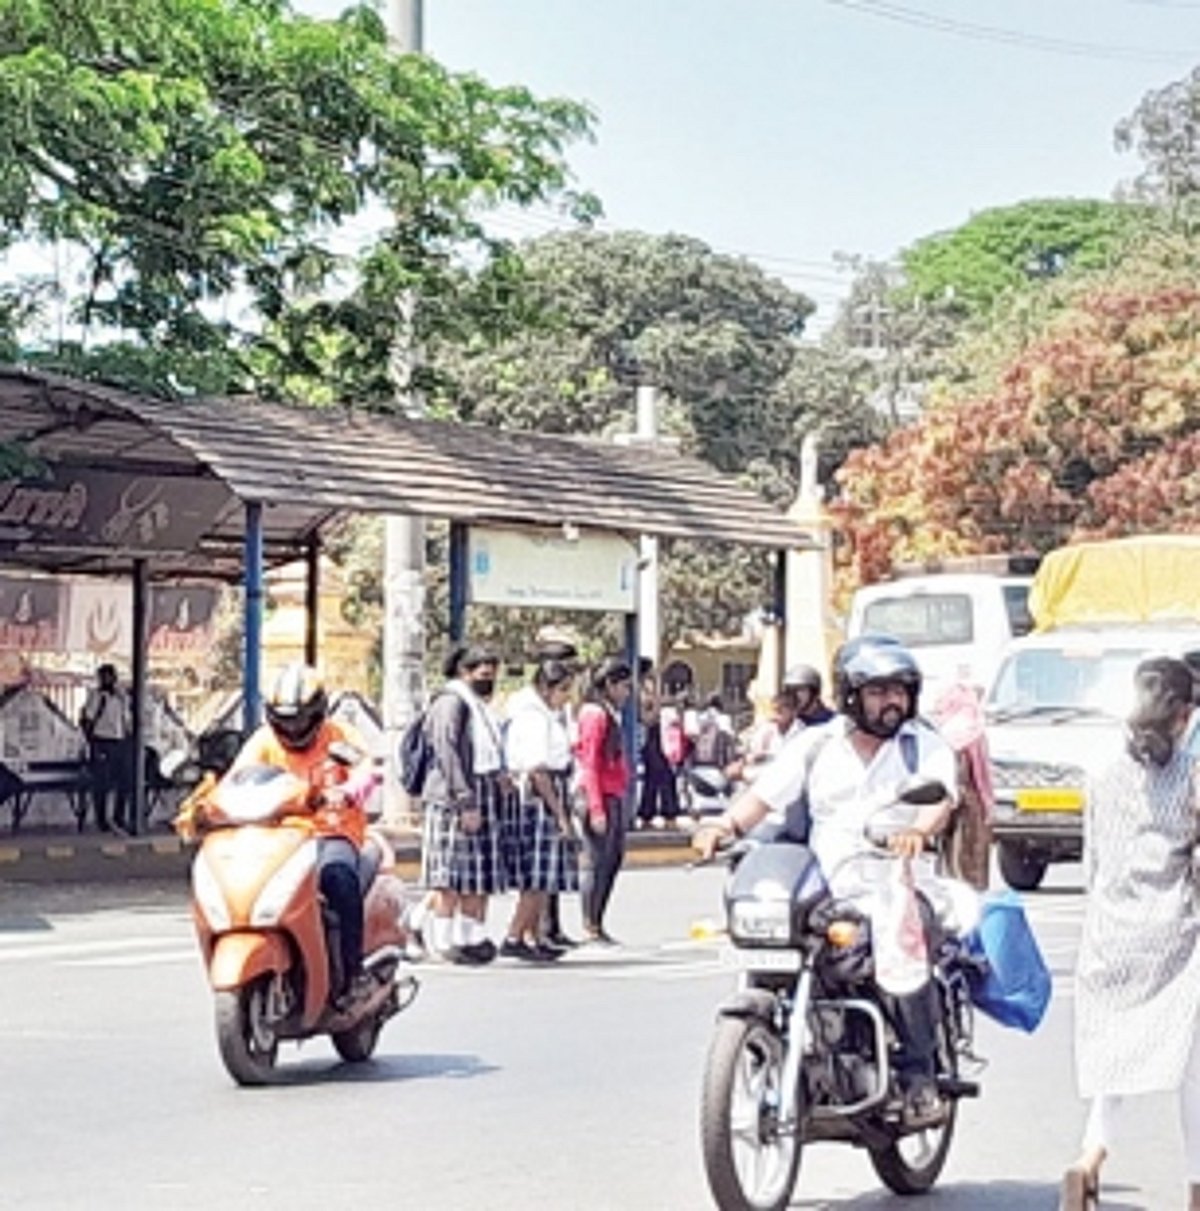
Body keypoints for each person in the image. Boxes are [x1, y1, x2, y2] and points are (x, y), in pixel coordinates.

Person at [693, 635, 959, 1126]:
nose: (891, 702)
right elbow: (763, 797)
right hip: (826, 886)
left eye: (899, 691)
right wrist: (723, 826)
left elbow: (940, 800)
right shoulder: (816, 745)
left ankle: (919, 1074)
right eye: (878, 692)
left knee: (902, 941)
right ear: (852, 696)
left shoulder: (922, 746)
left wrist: (918, 832)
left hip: (897, 883)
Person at [1062, 656, 1200, 1210]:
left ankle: (1089, 1157)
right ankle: (1196, 1185)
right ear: (1184, 715)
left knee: (1113, 1060)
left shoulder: (1101, 768)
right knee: (1191, 1068)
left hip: (1108, 933)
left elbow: (1092, 859)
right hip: (1174, 936)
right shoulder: (1191, 774)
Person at [231, 662, 374, 1007]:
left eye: (300, 719)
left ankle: (352, 974)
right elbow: (236, 779)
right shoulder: (263, 742)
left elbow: (366, 771)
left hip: (330, 833)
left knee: (339, 880)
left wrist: (348, 791)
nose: (292, 728)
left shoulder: (338, 738)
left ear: (318, 713)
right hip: (276, 836)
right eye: (284, 720)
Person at [419, 644, 506, 966]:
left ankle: (469, 938)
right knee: (450, 876)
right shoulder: (451, 702)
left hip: (482, 789)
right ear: (463, 672)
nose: (488, 680)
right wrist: (465, 800)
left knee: (476, 876)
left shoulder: (477, 705)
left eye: (492, 674)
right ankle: (442, 940)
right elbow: (448, 752)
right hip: (454, 797)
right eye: (482, 674)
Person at [500, 658, 579, 961]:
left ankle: (533, 935)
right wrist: (559, 814)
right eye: (563, 690)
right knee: (537, 875)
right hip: (539, 798)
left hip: (546, 790)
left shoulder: (544, 714)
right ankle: (514, 934)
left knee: (543, 876)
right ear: (546, 688)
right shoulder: (533, 717)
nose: (566, 697)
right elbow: (537, 770)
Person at [574, 656, 633, 945]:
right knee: (597, 862)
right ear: (609, 684)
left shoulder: (610, 714)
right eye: (624, 686)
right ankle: (590, 923)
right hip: (598, 794)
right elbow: (590, 764)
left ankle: (598, 920)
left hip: (614, 793)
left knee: (612, 859)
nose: (627, 693)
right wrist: (596, 808)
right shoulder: (594, 715)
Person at [79, 663, 132, 833]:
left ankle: (119, 817)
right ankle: (102, 820)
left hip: (120, 742)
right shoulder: (97, 696)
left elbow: (127, 720)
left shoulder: (122, 696)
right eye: (104, 677)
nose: (108, 680)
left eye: (111, 676)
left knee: (125, 782)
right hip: (102, 742)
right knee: (102, 783)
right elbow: (88, 718)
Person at [636, 674, 683, 830]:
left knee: (656, 780)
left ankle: (649, 815)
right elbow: (647, 719)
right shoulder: (642, 700)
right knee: (662, 779)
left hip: (660, 743)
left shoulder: (651, 698)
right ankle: (666, 814)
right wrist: (657, 707)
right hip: (651, 744)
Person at [783, 661, 836, 726]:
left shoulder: (837, 723)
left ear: (814, 692)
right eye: (789, 690)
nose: (793, 695)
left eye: (799, 689)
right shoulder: (786, 724)